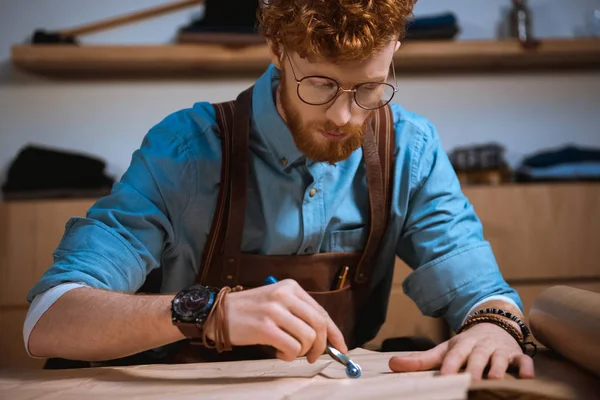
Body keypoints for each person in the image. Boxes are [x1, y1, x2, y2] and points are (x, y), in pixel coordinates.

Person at [24, 0, 535, 381]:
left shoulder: (411, 151)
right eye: (319, 84)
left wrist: (494, 326)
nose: (343, 115)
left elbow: (484, 295)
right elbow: (49, 319)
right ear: (277, 50)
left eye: (368, 89)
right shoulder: (186, 149)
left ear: (394, 53)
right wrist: (208, 310)